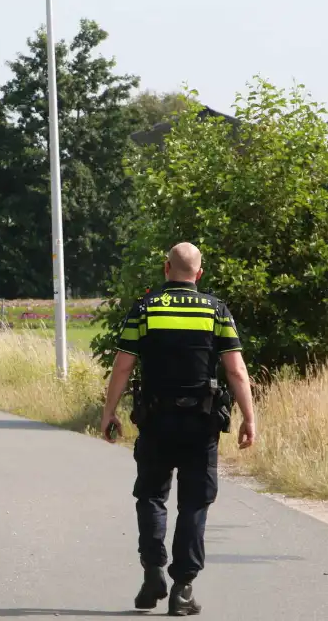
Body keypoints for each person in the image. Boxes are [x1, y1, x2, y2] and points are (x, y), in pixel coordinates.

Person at [100, 242, 256, 616]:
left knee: (151, 496)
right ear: (199, 274)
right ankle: (182, 588)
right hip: (200, 425)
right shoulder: (216, 310)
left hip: (155, 421)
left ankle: (153, 570)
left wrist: (109, 412)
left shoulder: (145, 308)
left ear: (166, 268)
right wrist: (250, 418)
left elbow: (123, 367)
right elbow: (235, 370)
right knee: (194, 503)